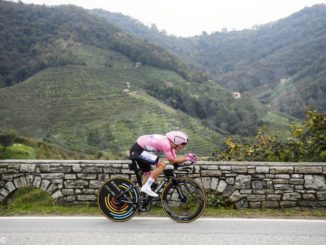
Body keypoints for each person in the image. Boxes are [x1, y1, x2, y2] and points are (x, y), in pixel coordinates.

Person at [129, 131, 198, 197]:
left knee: (148, 173)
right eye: (183, 144)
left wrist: (186, 156)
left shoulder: (171, 146)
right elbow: (172, 161)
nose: (183, 146)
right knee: (161, 164)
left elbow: (175, 160)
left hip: (139, 150)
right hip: (137, 151)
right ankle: (146, 187)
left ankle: (141, 197)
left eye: (185, 144)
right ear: (176, 141)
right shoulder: (166, 144)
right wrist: (186, 158)